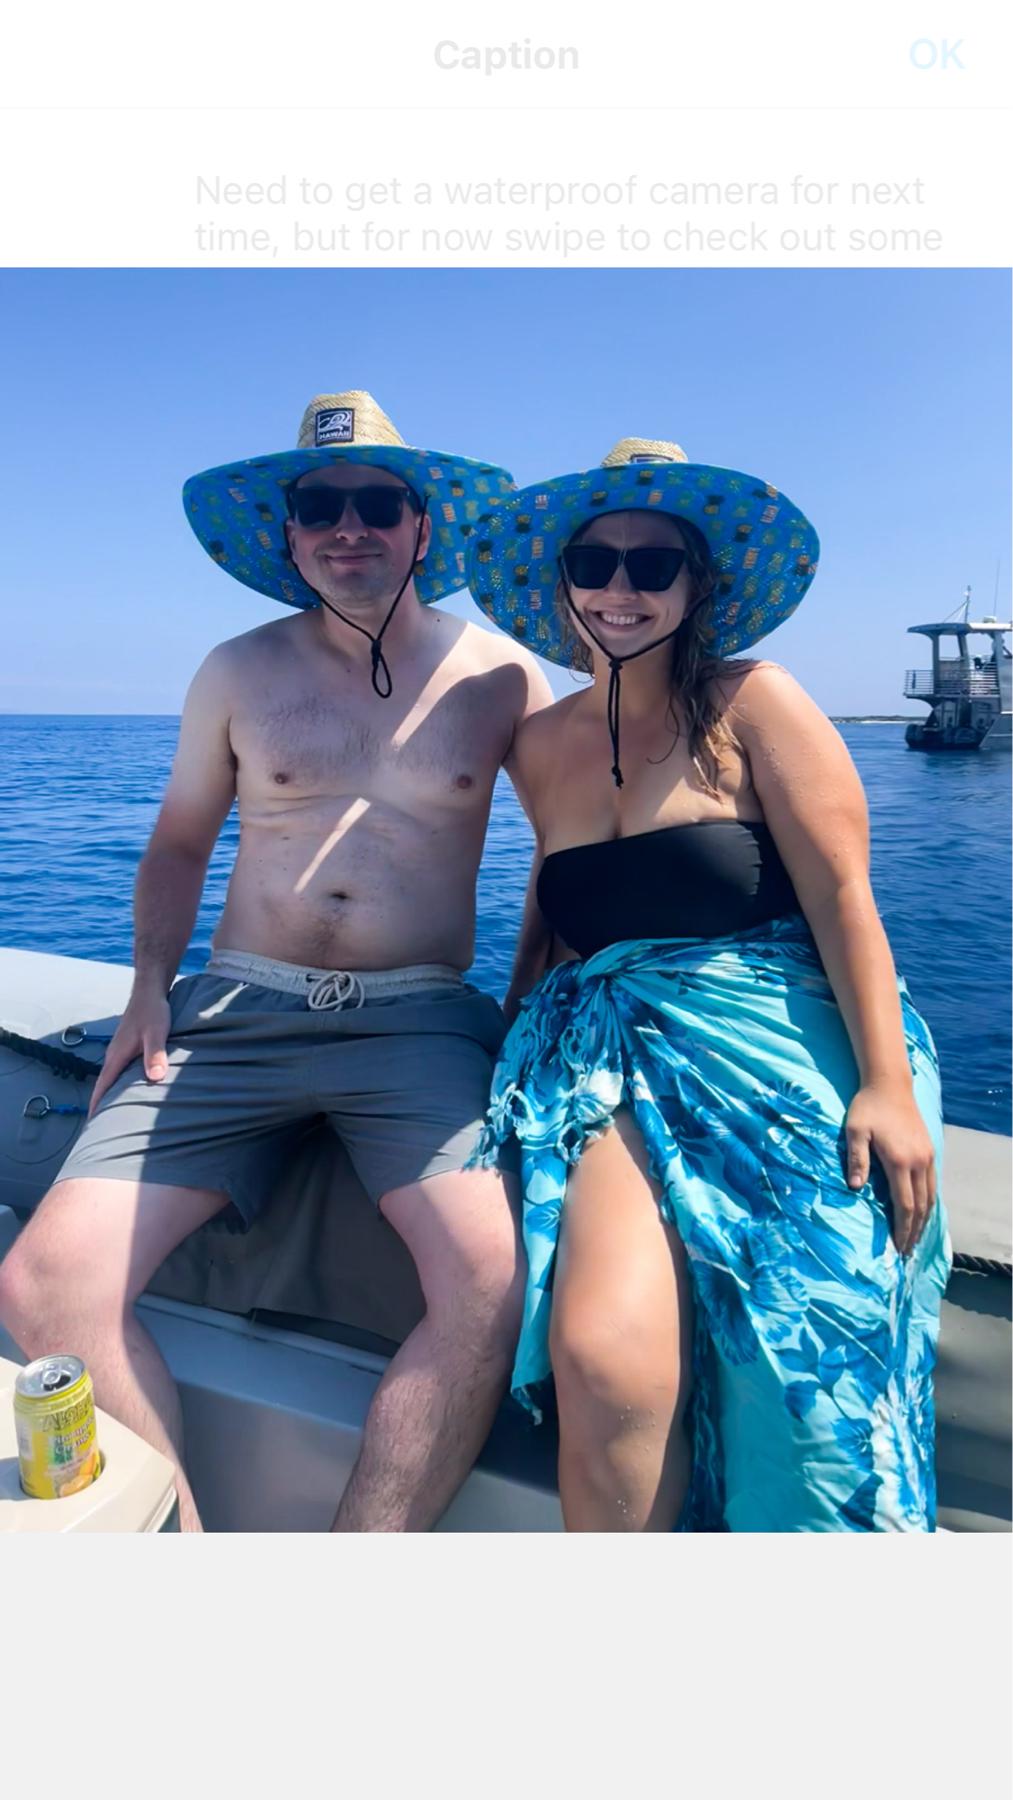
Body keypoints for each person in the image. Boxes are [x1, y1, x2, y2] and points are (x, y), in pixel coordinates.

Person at [0, 389, 552, 1533]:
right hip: (239, 1010)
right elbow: (179, 842)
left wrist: (525, 1004)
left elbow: (567, 848)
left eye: (375, 503)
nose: (347, 526)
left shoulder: (502, 679)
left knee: (493, 1283)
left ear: (421, 526)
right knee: (42, 1282)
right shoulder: (236, 671)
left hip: (419, 1019)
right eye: (320, 505)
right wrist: (148, 987)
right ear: (289, 533)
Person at [465, 434, 951, 1532]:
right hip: (601, 1049)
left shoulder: (754, 702)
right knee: (602, 1356)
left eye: (652, 565)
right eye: (593, 563)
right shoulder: (535, 744)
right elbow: (554, 896)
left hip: (775, 1035)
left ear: (697, 586)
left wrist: (885, 1086)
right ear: (562, 584)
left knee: (816, 1336)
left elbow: (843, 898)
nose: (620, 588)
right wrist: (508, 1018)